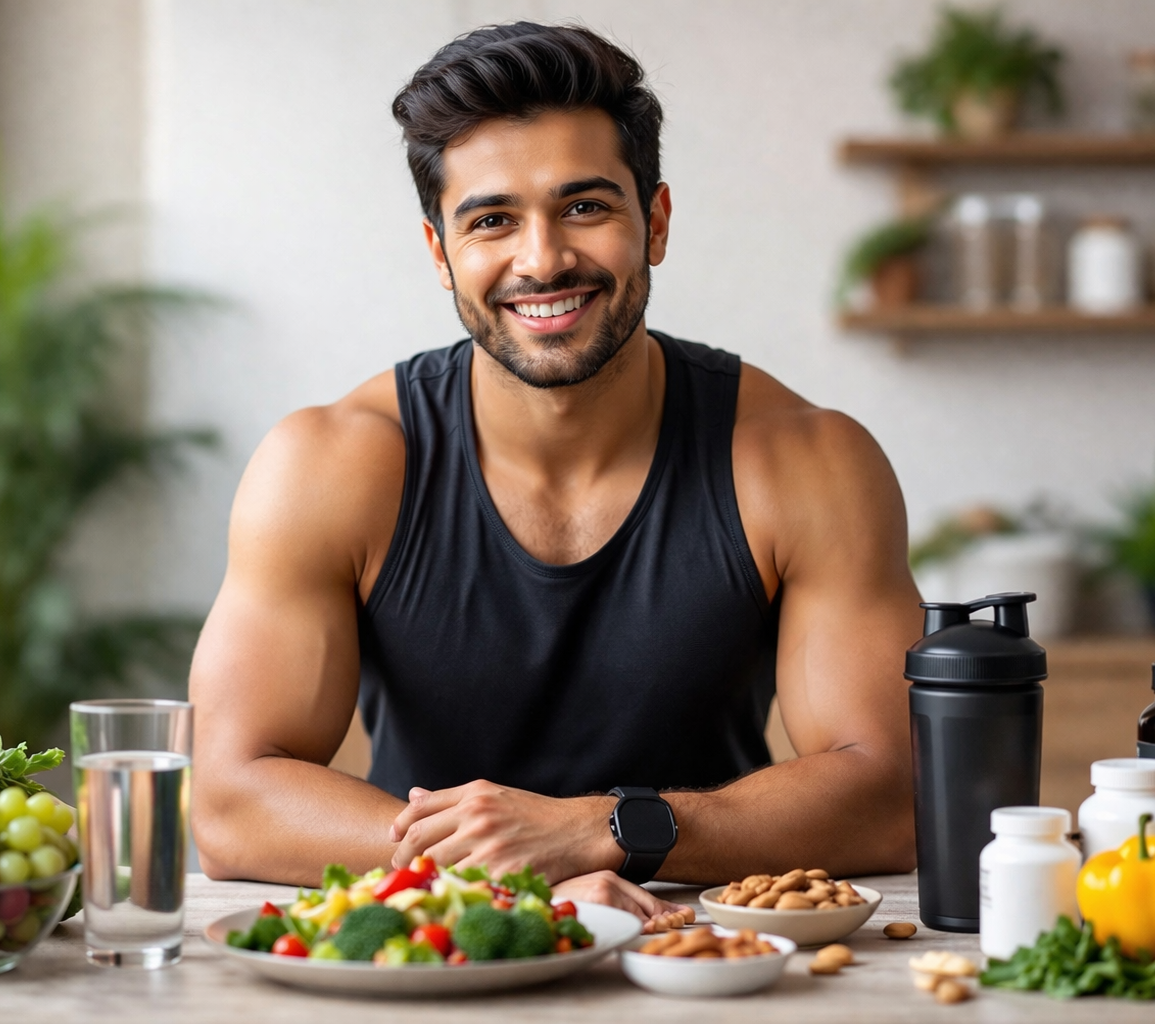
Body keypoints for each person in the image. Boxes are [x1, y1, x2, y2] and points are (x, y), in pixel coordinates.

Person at [190, 22, 920, 928]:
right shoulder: (331, 464)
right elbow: (228, 803)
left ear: (653, 222)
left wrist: (607, 832)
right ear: (439, 252)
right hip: (424, 951)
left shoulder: (805, 461)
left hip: (700, 953)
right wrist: (506, 876)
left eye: (584, 207)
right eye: (492, 220)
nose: (541, 259)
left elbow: (892, 795)